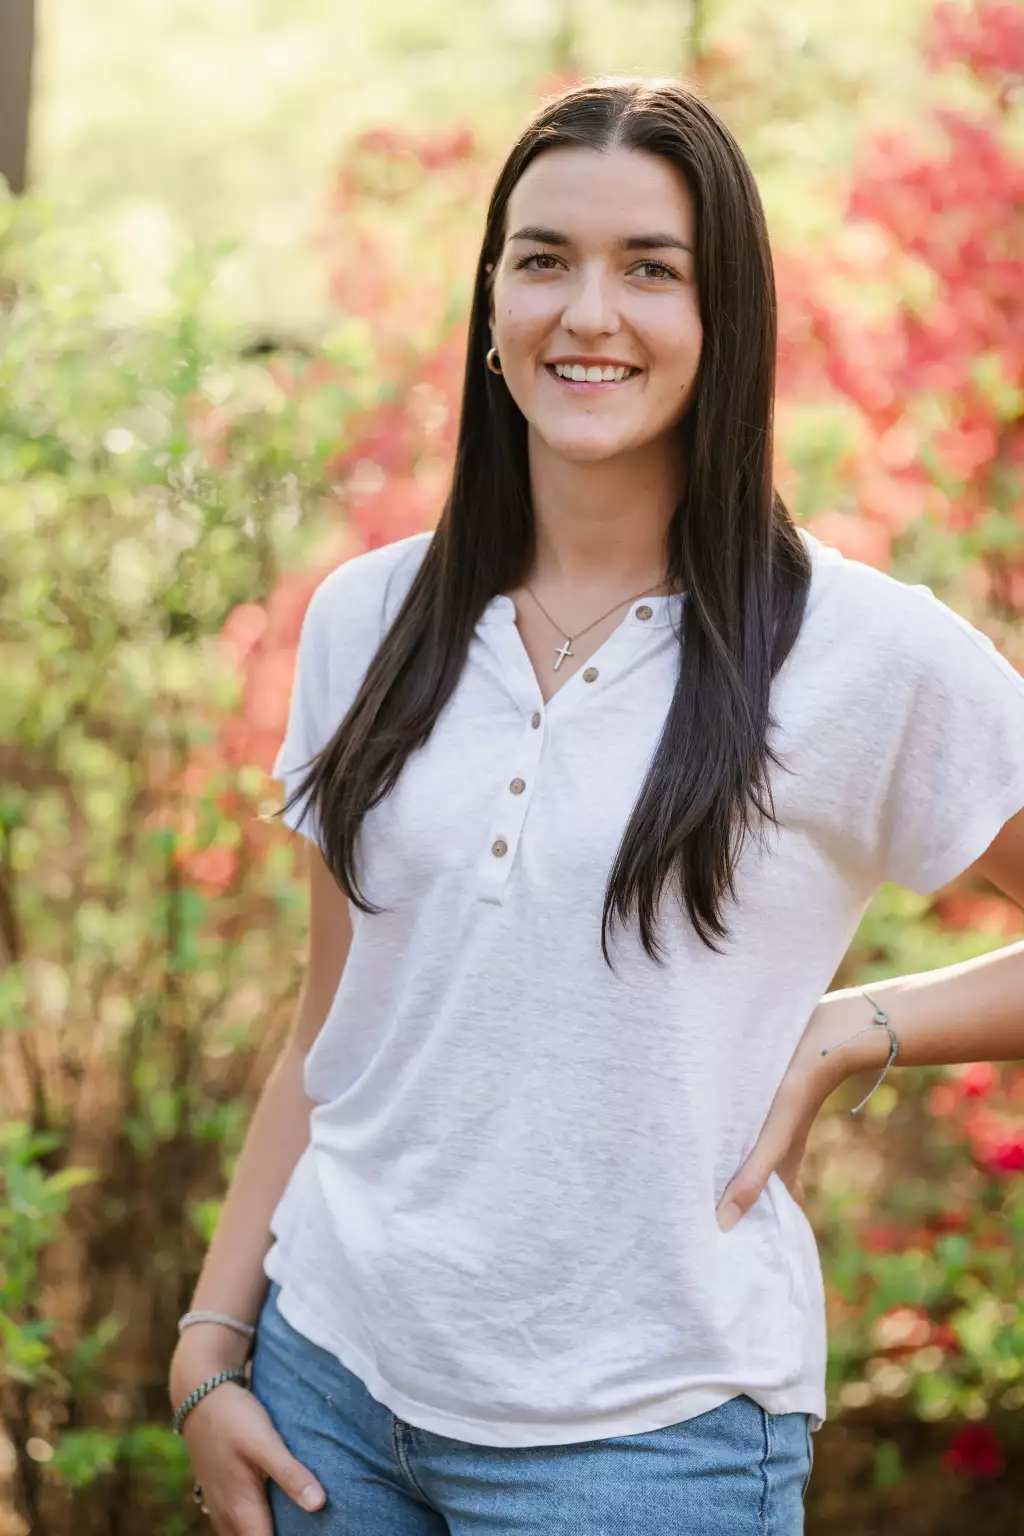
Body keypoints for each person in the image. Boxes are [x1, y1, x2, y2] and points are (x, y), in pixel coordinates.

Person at [167, 75, 1024, 1536]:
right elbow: (334, 1025)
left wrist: (853, 1031)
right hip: (328, 1396)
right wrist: (210, 1343)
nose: (588, 313)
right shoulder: (368, 616)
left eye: (651, 268)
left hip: (648, 1446)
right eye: (543, 258)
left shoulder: (863, 655)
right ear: (491, 305)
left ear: (724, 317)